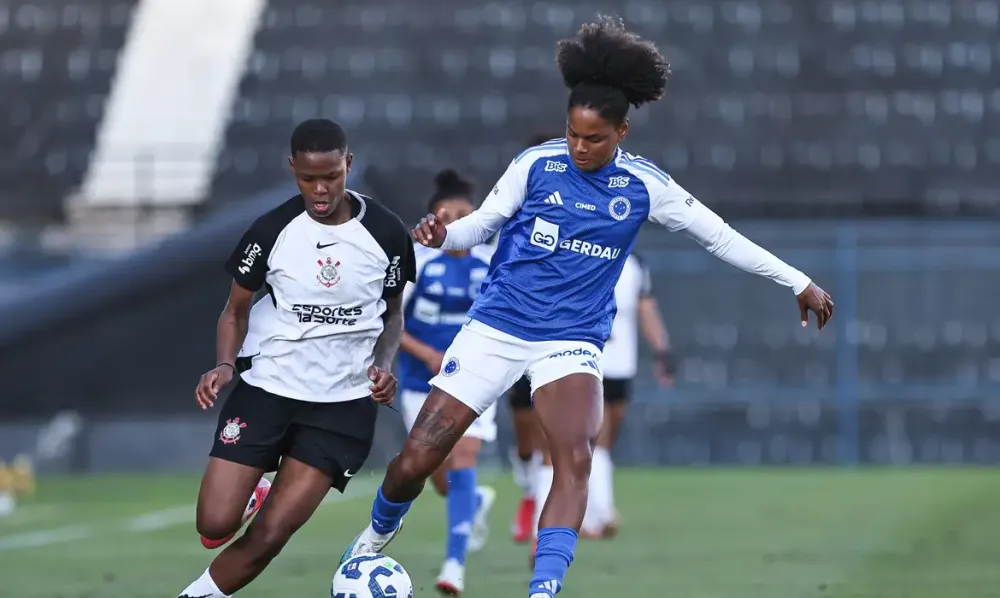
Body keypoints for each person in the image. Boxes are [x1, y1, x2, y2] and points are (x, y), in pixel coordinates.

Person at [341, 16, 834, 598]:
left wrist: (797, 279)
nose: (579, 146)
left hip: (570, 341)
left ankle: (544, 589)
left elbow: (720, 236)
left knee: (574, 457)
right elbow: (478, 228)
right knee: (417, 458)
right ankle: (369, 545)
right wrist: (439, 236)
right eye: (572, 133)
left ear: (622, 132)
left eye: (594, 138)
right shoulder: (536, 167)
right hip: (497, 326)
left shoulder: (646, 187)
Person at [176, 118, 415, 598]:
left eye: (331, 176)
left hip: (342, 408)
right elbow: (234, 310)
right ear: (293, 169)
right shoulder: (271, 231)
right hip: (268, 392)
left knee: (270, 535)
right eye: (309, 179)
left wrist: (384, 367)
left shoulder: (387, 234)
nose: (321, 189)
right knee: (214, 523)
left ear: (348, 165)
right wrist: (225, 365)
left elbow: (392, 316)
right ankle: (253, 492)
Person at [516, 252, 674, 552]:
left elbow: (645, 307)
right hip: (576, 362)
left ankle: (592, 516)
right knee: (565, 443)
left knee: (595, 440)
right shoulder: (572, 254)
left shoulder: (633, 263)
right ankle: (582, 519)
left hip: (614, 364)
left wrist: (662, 350)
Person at [396, 168, 498, 595]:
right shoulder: (417, 260)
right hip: (421, 382)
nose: (458, 222)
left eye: (466, 214)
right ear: (434, 219)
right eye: (449, 214)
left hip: (475, 381)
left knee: (463, 461)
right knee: (436, 473)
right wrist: (430, 355)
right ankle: (472, 502)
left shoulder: (492, 261)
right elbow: (390, 323)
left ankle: (454, 564)